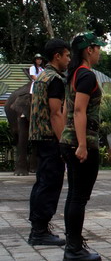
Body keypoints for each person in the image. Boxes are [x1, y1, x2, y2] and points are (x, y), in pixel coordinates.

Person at [59, 31, 106, 261]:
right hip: (81, 143)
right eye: (98, 47)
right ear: (89, 50)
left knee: (74, 196)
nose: (100, 51)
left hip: (69, 141)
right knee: (78, 197)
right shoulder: (86, 75)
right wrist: (82, 145)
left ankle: (73, 245)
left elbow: (67, 110)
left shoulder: (73, 74)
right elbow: (78, 110)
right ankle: (74, 250)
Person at [27, 39, 71, 246]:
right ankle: (40, 231)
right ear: (57, 56)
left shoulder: (41, 77)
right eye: (67, 55)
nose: (69, 59)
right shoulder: (54, 79)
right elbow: (56, 114)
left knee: (42, 182)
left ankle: (38, 228)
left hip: (38, 136)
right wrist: (64, 143)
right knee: (50, 183)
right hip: (49, 137)